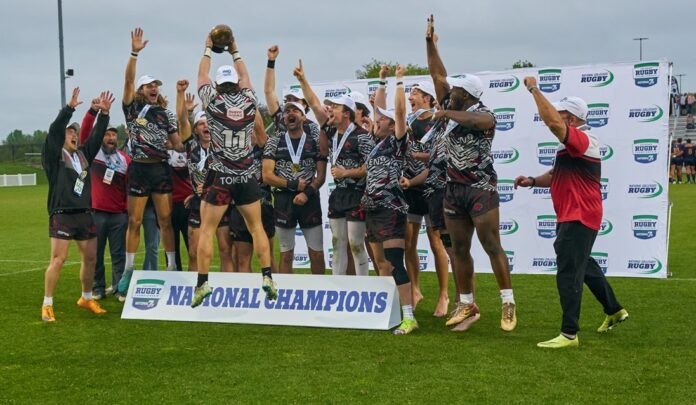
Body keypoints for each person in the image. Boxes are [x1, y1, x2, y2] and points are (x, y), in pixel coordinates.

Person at [515, 83, 628, 348]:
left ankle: (569, 334)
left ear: (574, 119)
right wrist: (532, 180)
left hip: (579, 215)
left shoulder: (583, 138)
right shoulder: (574, 144)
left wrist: (534, 91)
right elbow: (555, 175)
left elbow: (553, 123)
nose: (556, 116)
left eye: (562, 112)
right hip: (576, 214)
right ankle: (614, 309)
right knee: (583, 264)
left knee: (568, 272)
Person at [425, 15, 516, 332]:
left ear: (469, 94)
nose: (450, 92)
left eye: (456, 90)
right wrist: (429, 44)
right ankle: (466, 303)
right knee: (459, 249)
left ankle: (507, 302)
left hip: (481, 188)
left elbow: (479, 124)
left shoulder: (483, 114)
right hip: (454, 190)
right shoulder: (451, 102)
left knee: (491, 244)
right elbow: (438, 75)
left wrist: (446, 111)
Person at [192, 32, 276, 307]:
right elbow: (247, 79)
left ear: (219, 84)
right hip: (246, 175)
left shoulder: (213, 102)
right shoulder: (250, 100)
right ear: (236, 84)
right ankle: (267, 276)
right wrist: (235, 51)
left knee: (207, 230)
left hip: (220, 174)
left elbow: (202, 76)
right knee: (256, 229)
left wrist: (207, 48)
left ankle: (202, 283)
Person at [119, 27, 187, 295]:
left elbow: (177, 142)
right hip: (138, 168)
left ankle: (171, 268)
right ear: (140, 90)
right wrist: (134, 52)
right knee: (134, 222)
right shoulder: (132, 108)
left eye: (157, 85)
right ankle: (128, 270)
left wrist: (182, 128)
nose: (155, 88)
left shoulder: (166, 114)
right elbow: (126, 82)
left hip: (160, 168)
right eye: (149, 85)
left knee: (166, 220)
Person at [294, 60, 374, 276]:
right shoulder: (330, 130)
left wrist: (347, 172)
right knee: (338, 243)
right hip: (338, 194)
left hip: (357, 193)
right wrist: (302, 80)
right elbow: (315, 104)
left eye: (335, 107)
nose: (330, 110)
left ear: (346, 112)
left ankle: (363, 290)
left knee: (357, 245)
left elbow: (371, 167)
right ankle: (339, 288)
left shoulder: (362, 136)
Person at [40, 88, 114, 322]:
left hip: (85, 214)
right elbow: (54, 131)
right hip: (62, 214)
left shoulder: (82, 155)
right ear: (61, 137)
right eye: (69, 132)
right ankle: (47, 303)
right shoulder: (53, 156)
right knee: (58, 259)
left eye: (75, 132)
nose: (73, 135)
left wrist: (103, 114)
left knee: (91, 258)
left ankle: (86, 297)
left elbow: (95, 137)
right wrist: (69, 109)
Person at [365, 64, 417, 334]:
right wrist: (382, 80)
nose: (377, 120)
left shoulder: (398, 141)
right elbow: (380, 109)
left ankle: (409, 317)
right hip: (372, 209)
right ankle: (388, 312)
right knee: (381, 264)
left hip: (391, 209)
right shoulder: (376, 143)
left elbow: (397, 112)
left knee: (395, 260)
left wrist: (399, 81)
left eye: (382, 119)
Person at [400, 77, 450, 317]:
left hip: (432, 189)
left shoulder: (438, 122)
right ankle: (415, 290)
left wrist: (418, 155)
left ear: (428, 98)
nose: (411, 97)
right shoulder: (408, 122)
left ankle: (444, 295)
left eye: (416, 93)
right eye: (410, 93)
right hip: (408, 189)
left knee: (435, 242)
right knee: (408, 243)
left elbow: (439, 154)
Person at [175, 82, 236, 273]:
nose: (205, 126)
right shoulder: (191, 145)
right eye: (201, 124)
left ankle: (229, 292)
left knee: (225, 251)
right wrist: (180, 93)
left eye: (208, 123)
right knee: (194, 252)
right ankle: (196, 290)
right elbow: (181, 120)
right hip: (198, 204)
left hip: (221, 201)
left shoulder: (224, 145)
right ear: (196, 129)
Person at [263, 101, 327, 274]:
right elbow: (267, 175)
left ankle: (318, 295)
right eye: (287, 111)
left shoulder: (314, 140)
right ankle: (285, 296)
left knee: (316, 253)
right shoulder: (274, 141)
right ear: (284, 117)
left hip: (310, 199)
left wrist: (306, 193)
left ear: (303, 116)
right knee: (286, 254)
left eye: (295, 111)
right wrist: (292, 184)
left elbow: (321, 175)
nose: (290, 113)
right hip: (284, 200)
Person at [78, 99, 131, 302]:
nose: (110, 138)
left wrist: (126, 210)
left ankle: (119, 288)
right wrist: (94, 113)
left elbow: (128, 187)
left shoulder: (125, 159)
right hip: (96, 212)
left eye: (113, 135)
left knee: (119, 255)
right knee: (96, 254)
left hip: (118, 215)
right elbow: (84, 133)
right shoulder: (93, 154)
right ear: (101, 137)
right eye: (107, 134)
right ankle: (98, 287)